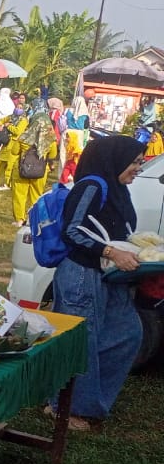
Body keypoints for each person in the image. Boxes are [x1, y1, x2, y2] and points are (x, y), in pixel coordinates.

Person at [52, 136, 148, 430]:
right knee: (82, 342)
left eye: (140, 163)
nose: (137, 168)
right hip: (82, 275)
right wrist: (111, 252)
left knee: (128, 333)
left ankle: (84, 401)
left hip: (111, 276)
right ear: (114, 159)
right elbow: (72, 231)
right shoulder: (91, 185)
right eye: (134, 162)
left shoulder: (118, 189)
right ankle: (67, 409)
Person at [11, 106, 59, 227]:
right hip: (40, 171)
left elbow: (14, 151)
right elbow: (53, 155)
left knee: (19, 195)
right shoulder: (50, 139)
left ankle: (19, 220)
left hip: (22, 170)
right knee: (37, 196)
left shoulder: (24, 136)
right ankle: (34, 220)